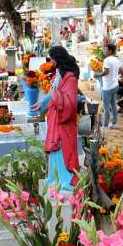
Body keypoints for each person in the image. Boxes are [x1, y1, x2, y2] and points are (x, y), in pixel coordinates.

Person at [30, 46, 80, 191]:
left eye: (51, 58)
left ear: (58, 58)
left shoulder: (70, 77)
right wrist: (42, 104)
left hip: (64, 121)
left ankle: (65, 178)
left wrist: (55, 95)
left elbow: (70, 103)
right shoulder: (58, 74)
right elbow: (53, 94)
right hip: (55, 118)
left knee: (62, 148)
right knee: (55, 149)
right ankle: (54, 176)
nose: (50, 61)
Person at [94, 43, 120, 129]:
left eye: (105, 49)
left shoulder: (107, 60)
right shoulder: (116, 59)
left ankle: (105, 125)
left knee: (106, 107)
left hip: (108, 87)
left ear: (110, 51)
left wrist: (98, 75)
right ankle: (115, 123)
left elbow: (106, 72)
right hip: (115, 85)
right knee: (113, 105)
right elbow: (121, 70)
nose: (104, 51)